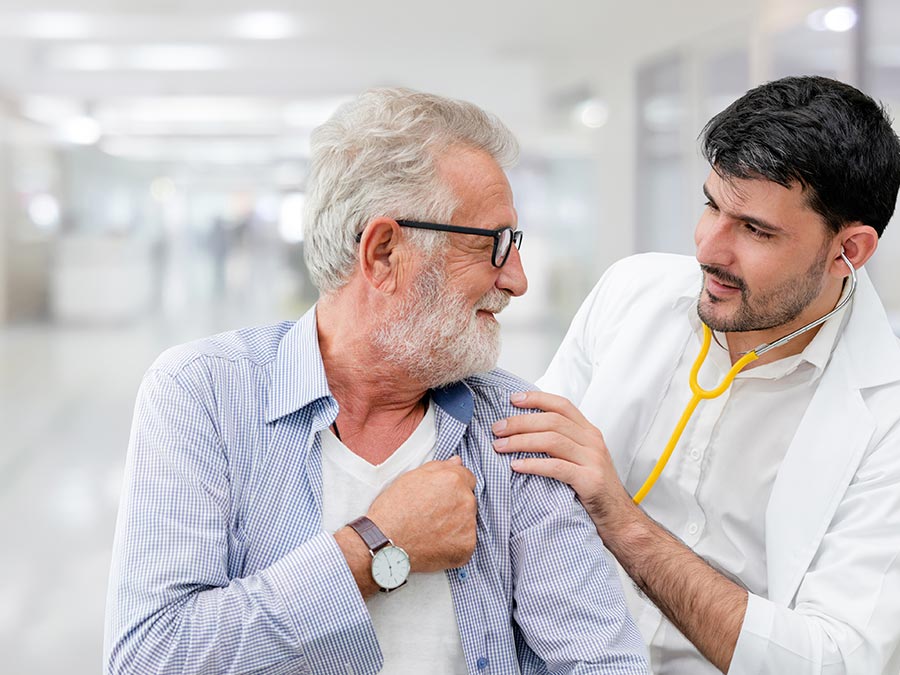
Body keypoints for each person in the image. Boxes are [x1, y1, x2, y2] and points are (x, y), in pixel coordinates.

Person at [103, 88, 649, 675]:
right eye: (492, 243)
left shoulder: (514, 432)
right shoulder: (202, 394)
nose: (517, 280)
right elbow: (151, 657)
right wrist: (378, 545)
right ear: (384, 252)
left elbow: (604, 663)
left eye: (514, 244)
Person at [492, 75, 900, 674]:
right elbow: (527, 492)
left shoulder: (886, 416)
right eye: (712, 204)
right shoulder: (632, 291)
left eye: (756, 230)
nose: (710, 248)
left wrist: (620, 518)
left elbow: (833, 660)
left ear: (849, 251)